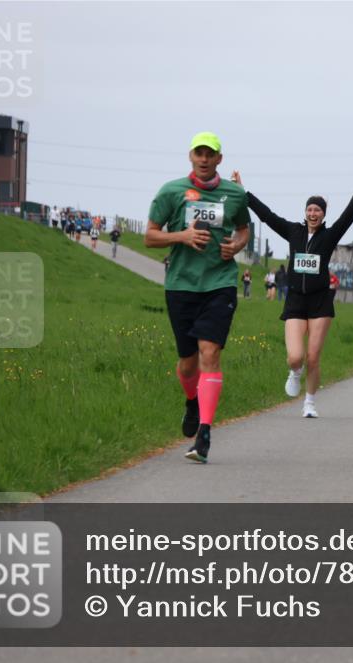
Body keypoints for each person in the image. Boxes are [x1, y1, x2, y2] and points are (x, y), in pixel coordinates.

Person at [144, 131, 251, 463]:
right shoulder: (171, 192)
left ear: (220, 159)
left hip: (219, 283)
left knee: (210, 353)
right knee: (188, 364)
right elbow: (150, 236)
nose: (204, 159)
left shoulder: (234, 194)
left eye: (210, 154)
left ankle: (204, 435)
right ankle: (192, 400)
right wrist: (183, 236)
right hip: (181, 285)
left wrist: (236, 245)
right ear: (191, 156)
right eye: (199, 153)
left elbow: (244, 229)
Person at [234, 165, 353, 418]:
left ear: (323, 214)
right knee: (296, 357)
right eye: (309, 209)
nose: (312, 213)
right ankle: (295, 372)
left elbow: (349, 215)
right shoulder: (293, 232)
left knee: (313, 356)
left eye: (317, 210)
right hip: (295, 300)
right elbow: (267, 215)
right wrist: (244, 192)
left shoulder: (329, 236)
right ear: (304, 212)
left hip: (320, 302)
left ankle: (309, 402)